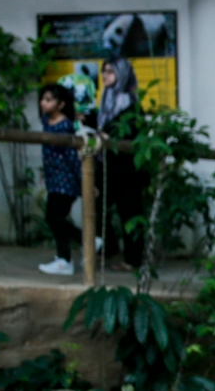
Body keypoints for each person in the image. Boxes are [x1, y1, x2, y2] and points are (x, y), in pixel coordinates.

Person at [87, 57, 146, 270]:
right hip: (107, 167)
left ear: (122, 74)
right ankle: (109, 247)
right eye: (104, 70)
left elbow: (131, 133)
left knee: (129, 213)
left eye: (111, 71)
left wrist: (107, 136)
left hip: (127, 170)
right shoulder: (106, 100)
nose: (105, 75)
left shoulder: (131, 105)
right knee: (94, 205)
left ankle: (133, 260)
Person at [37, 84, 84, 276]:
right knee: (56, 218)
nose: (43, 103)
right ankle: (86, 241)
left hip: (66, 181)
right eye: (43, 99)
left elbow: (72, 157)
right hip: (54, 180)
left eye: (49, 100)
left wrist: (82, 182)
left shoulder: (65, 126)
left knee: (54, 217)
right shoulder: (47, 122)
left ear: (61, 104)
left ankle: (65, 259)